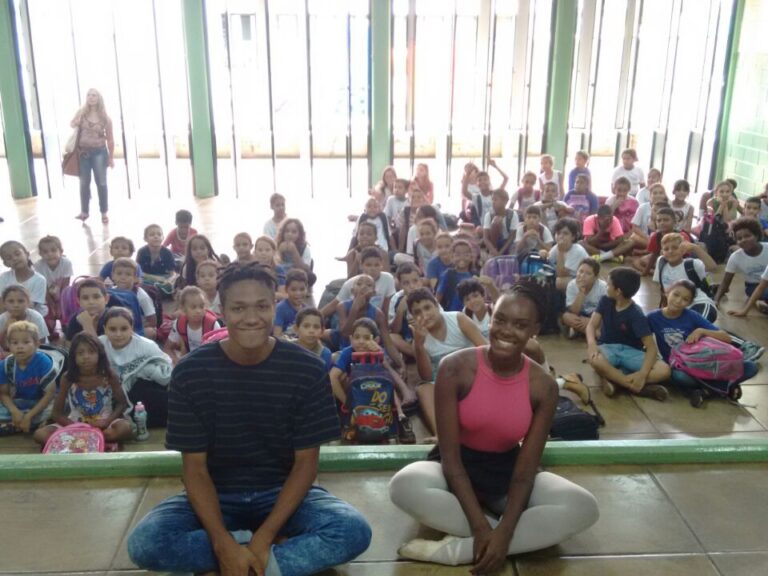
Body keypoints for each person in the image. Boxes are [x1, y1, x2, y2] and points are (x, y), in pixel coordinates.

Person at [127, 262, 371, 575]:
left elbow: (306, 464)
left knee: (353, 531)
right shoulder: (191, 372)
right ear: (223, 311)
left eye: (262, 306)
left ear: (275, 307)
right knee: (146, 544)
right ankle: (255, 555)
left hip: (282, 494)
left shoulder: (306, 369)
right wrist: (220, 541)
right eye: (239, 308)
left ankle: (247, 559)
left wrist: (265, 535)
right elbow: (195, 469)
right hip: (216, 494)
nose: (252, 318)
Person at [389, 284, 599, 571]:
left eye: (520, 324)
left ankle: (460, 551)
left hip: (507, 471)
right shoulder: (455, 367)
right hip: (453, 469)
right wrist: (482, 528)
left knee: (583, 506)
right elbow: (450, 460)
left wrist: (506, 532)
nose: (506, 331)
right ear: (490, 317)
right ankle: (491, 539)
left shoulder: (543, 386)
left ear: (534, 329)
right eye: (499, 320)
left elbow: (525, 471)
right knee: (403, 485)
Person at [648, 280, 759, 395]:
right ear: (667, 292)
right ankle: (718, 388)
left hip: (704, 363)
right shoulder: (653, 317)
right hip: (680, 367)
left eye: (685, 299)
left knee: (751, 367)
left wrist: (701, 331)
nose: (678, 301)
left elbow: (726, 338)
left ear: (690, 303)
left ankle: (706, 390)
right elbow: (641, 339)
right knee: (679, 377)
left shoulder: (692, 316)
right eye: (676, 295)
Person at [408, 288, 488, 438]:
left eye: (427, 308)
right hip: (444, 382)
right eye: (417, 312)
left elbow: (485, 349)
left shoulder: (458, 319)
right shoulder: (418, 339)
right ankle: (441, 436)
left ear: (437, 306)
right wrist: (419, 345)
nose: (424, 315)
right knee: (423, 389)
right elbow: (426, 376)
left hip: (471, 375)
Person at [586, 267, 671, 399]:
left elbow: (651, 348)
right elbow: (591, 325)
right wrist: (591, 344)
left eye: (608, 284)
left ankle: (616, 381)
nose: (606, 287)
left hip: (630, 352)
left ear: (618, 291)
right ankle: (631, 384)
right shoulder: (605, 301)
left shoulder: (636, 314)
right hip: (607, 348)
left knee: (664, 370)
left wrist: (643, 374)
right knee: (595, 360)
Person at [33, 333, 133, 446]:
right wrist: (76, 427)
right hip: (75, 424)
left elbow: (122, 404)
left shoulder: (109, 375)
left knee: (125, 429)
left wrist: (107, 421)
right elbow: (57, 414)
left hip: (103, 424)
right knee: (40, 435)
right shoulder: (68, 378)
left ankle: (83, 441)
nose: (86, 356)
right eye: (80, 353)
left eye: (91, 352)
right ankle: (92, 440)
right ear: (74, 357)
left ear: (99, 354)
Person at [329, 317, 415, 444]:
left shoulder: (377, 353)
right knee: (343, 377)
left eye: (366, 338)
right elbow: (332, 377)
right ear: (351, 339)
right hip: (355, 396)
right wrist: (347, 403)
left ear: (376, 340)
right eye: (357, 337)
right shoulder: (348, 353)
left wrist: (379, 354)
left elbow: (388, 377)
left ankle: (400, 417)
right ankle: (345, 424)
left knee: (386, 382)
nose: (361, 342)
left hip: (379, 398)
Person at [99, 307, 172, 427]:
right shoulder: (100, 345)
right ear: (104, 329)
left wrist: (145, 371)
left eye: (124, 329)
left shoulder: (146, 346)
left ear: (132, 328)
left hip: (143, 391)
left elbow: (166, 369)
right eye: (112, 329)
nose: (118, 334)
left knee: (140, 390)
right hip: (112, 392)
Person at [0, 322, 57, 435]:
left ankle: (17, 424)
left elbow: (49, 394)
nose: (20, 346)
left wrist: (29, 416)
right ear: (9, 345)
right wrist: (14, 411)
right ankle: (28, 424)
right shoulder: (6, 365)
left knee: (58, 407)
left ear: (37, 344)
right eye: (14, 343)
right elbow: (4, 394)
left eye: (26, 342)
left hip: (40, 403)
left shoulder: (43, 362)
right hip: (19, 403)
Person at [72, 88, 114, 223]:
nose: (91, 98)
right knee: (84, 183)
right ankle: (84, 211)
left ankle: (104, 212)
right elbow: (72, 123)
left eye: (94, 95)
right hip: (83, 153)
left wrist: (111, 157)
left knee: (101, 183)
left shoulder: (105, 118)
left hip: (99, 153)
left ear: (99, 98)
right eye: (89, 95)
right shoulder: (82, 113)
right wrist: (76, 122)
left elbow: (111, 139)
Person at [653, 233, 717, 321]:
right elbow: (663, 290)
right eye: (666, 249)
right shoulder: (661, 263)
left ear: (683, 250)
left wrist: (695, 248)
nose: (670, 251)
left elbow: (713, 267)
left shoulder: (692, 264)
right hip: (679, 308)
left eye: (675, 247)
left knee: (696, 326)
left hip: (699, 304)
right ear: (662, 252)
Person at [714, 218, 768, 308]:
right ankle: (760, 302)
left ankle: (760, 302)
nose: (743, 240)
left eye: (747, 236)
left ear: (757, 236)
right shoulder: (735, 257)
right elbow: (725, 283)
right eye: (739, 238)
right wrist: (715, 301)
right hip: (753, 286)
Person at [165, 286, 223, 362]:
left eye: (201, 307)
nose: (198, 311)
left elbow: (221, 354)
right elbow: (167, 348)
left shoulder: (213, 325)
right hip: (189, 359)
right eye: (193, 307)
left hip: (208, 360)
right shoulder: (179, 324)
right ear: (183, 309)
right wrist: (177, 363)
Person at [34, 235, 73, 338]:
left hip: (62, 294)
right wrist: (51, 305)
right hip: (46, 295)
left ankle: (66, 323)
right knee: (47, 325)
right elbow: (42, 289)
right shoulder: (38, 266)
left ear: (61, 251)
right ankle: (50, 327)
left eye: (53, 250)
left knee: (67, 322)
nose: (50, 254)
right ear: (40, 254)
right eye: (45, 252)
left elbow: (65, 285)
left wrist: (60, 306)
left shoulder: (66, 263)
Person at [0, 240, 48, 316]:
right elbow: (1, 303)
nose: (14, 258)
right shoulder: (3, 278)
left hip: (34, 316)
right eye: (9, 258)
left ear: (27, 254)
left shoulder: (39, 280)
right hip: (9, 314)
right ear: (6, 264)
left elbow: (31, 306)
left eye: (17, 254)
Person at [562, 258, 607, 338]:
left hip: (597, 316)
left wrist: (591, 321)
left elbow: (606, 313)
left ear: (595, 277)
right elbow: (574, 311)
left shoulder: (603, 287)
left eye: (588, 273)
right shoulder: (572, 285)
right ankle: (594, 333)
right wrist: (581, 292)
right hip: (580, 315)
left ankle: (584, 331)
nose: (582, 276)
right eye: (580, 271)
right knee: (566, 317)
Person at [547, 217, 589, 291]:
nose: (561, 236)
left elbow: (561, 274)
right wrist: (544, 254)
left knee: (559, 282)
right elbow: (549, 260)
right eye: (558, 233)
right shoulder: (557, 246)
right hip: (572, 277)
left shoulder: (577, 250)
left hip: (586, 281)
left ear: (573, 237)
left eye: (565, 233)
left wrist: (560, 251)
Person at [436, 240, 476, 312]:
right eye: (458, 255)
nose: (462, 258)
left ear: (471, 257)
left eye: (466, 255)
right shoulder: (448, 274)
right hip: (452, 315)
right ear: (452, 257)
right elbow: (438, 296)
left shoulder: (474, 276)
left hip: (471, 315)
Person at [136, 224, 177, 294]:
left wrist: (170, 280)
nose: (156, 236)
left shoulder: (167, 253)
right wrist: (155, 278)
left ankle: (158, 291)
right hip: (147, 278)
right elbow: (138, 272)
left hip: (164, 278)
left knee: (176, 281)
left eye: (159, 234)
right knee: (139, 283)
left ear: (163, 237)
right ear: (145, 239)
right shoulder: (142, 252)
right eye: (152, 235)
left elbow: (172, 273)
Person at [483, 188, 519, 257]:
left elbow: (511, 237)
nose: (493, 202)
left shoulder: (512, 215)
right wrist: (493, 250)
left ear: (505, 201)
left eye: (496, 200)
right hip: (494, 243)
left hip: (507, 243)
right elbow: (486, 238)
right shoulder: (489, 215)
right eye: (492, 199)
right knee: (496, 222)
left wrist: (500, 253)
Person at [273, 269, 308, 340]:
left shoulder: (307, 310)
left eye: (302, 289)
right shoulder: (280, 309)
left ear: (306, 288)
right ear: (286, 290)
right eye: (293, 290)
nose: (298, 293)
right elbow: (276, 337)